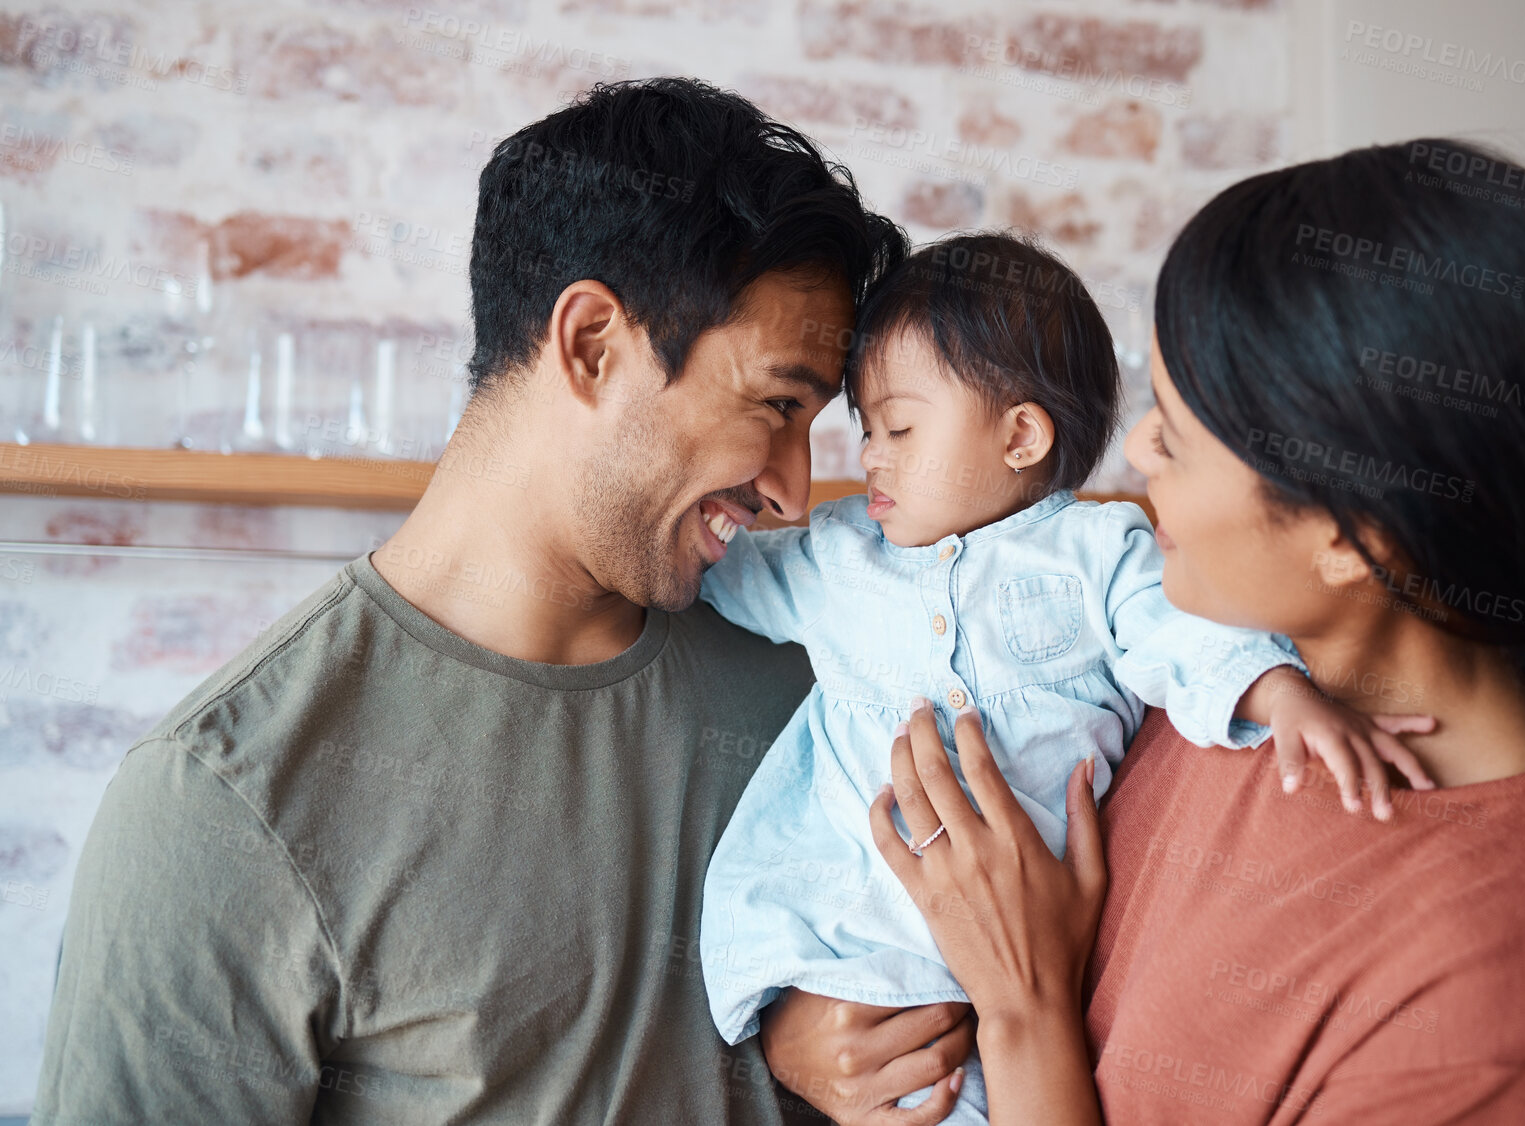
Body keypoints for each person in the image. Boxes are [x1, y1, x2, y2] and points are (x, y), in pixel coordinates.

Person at [759, 138, 1525, 1126]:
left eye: (1177, 437)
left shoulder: (1474, 1012)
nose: (1134, 450)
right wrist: (806, 1037)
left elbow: (1019, 975)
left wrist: (1025, 1009)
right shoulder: (1210, 658)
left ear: (1350, 538)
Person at [31, 77, 905, 1125]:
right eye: (775, 405)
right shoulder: (226, 799)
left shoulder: (832, 682)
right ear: (589, 345)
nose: (793, 491)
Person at [694, 233, 1432, 1124]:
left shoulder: (1100, 551)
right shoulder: (837, 556)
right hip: (841, 930)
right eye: (866, 429)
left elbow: (1180, 635)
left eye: (898, 428)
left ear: (1021, 435)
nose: (871, 456)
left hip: (1005, 961)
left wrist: (1280, 694)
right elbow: (712, 571)